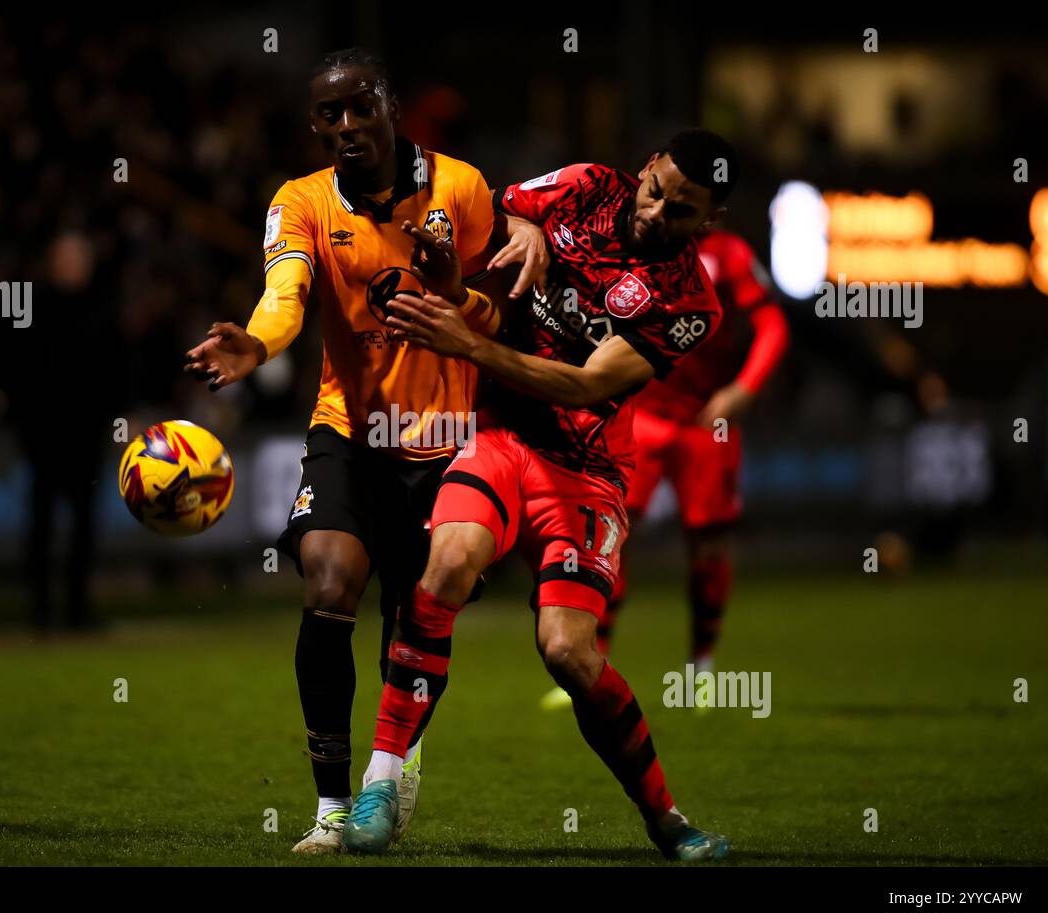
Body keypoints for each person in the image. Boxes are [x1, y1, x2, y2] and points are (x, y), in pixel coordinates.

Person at [345, 131, 739, 861]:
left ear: (706, 224)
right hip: (500, 437)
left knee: (567, 653)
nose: (657, 213)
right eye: (658, 191)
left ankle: (666, 820)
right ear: (647, 165)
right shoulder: (587, 184)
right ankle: (379, 783)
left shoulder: (691, 303)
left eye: (682, 212)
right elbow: (488, 208)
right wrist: (522, 224)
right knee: (446, 567)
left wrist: (471, 348)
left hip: (586, 470)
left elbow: (591, 383)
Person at [184, 49, 538, 854]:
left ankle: (397, 753)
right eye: (328, 115)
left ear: (390, 105)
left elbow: (500, 322)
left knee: (417, 617)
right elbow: (285, 297)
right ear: (315, 126)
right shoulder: (302, 202)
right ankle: (331, 807)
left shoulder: (463, 189)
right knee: (331, 580)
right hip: (348, 430)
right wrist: (258, 347)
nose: (345, 126)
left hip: (449, 444)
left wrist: (454, 296)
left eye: (358, 107)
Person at [541, 227, 789, 709]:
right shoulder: (636, 246)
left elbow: (774, 326)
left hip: (705, 422)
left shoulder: (731, 253)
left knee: (709, 543)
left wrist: (744, 389)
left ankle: (703, 667)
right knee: (610, 537)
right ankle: (589, 664)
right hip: (641, 415)